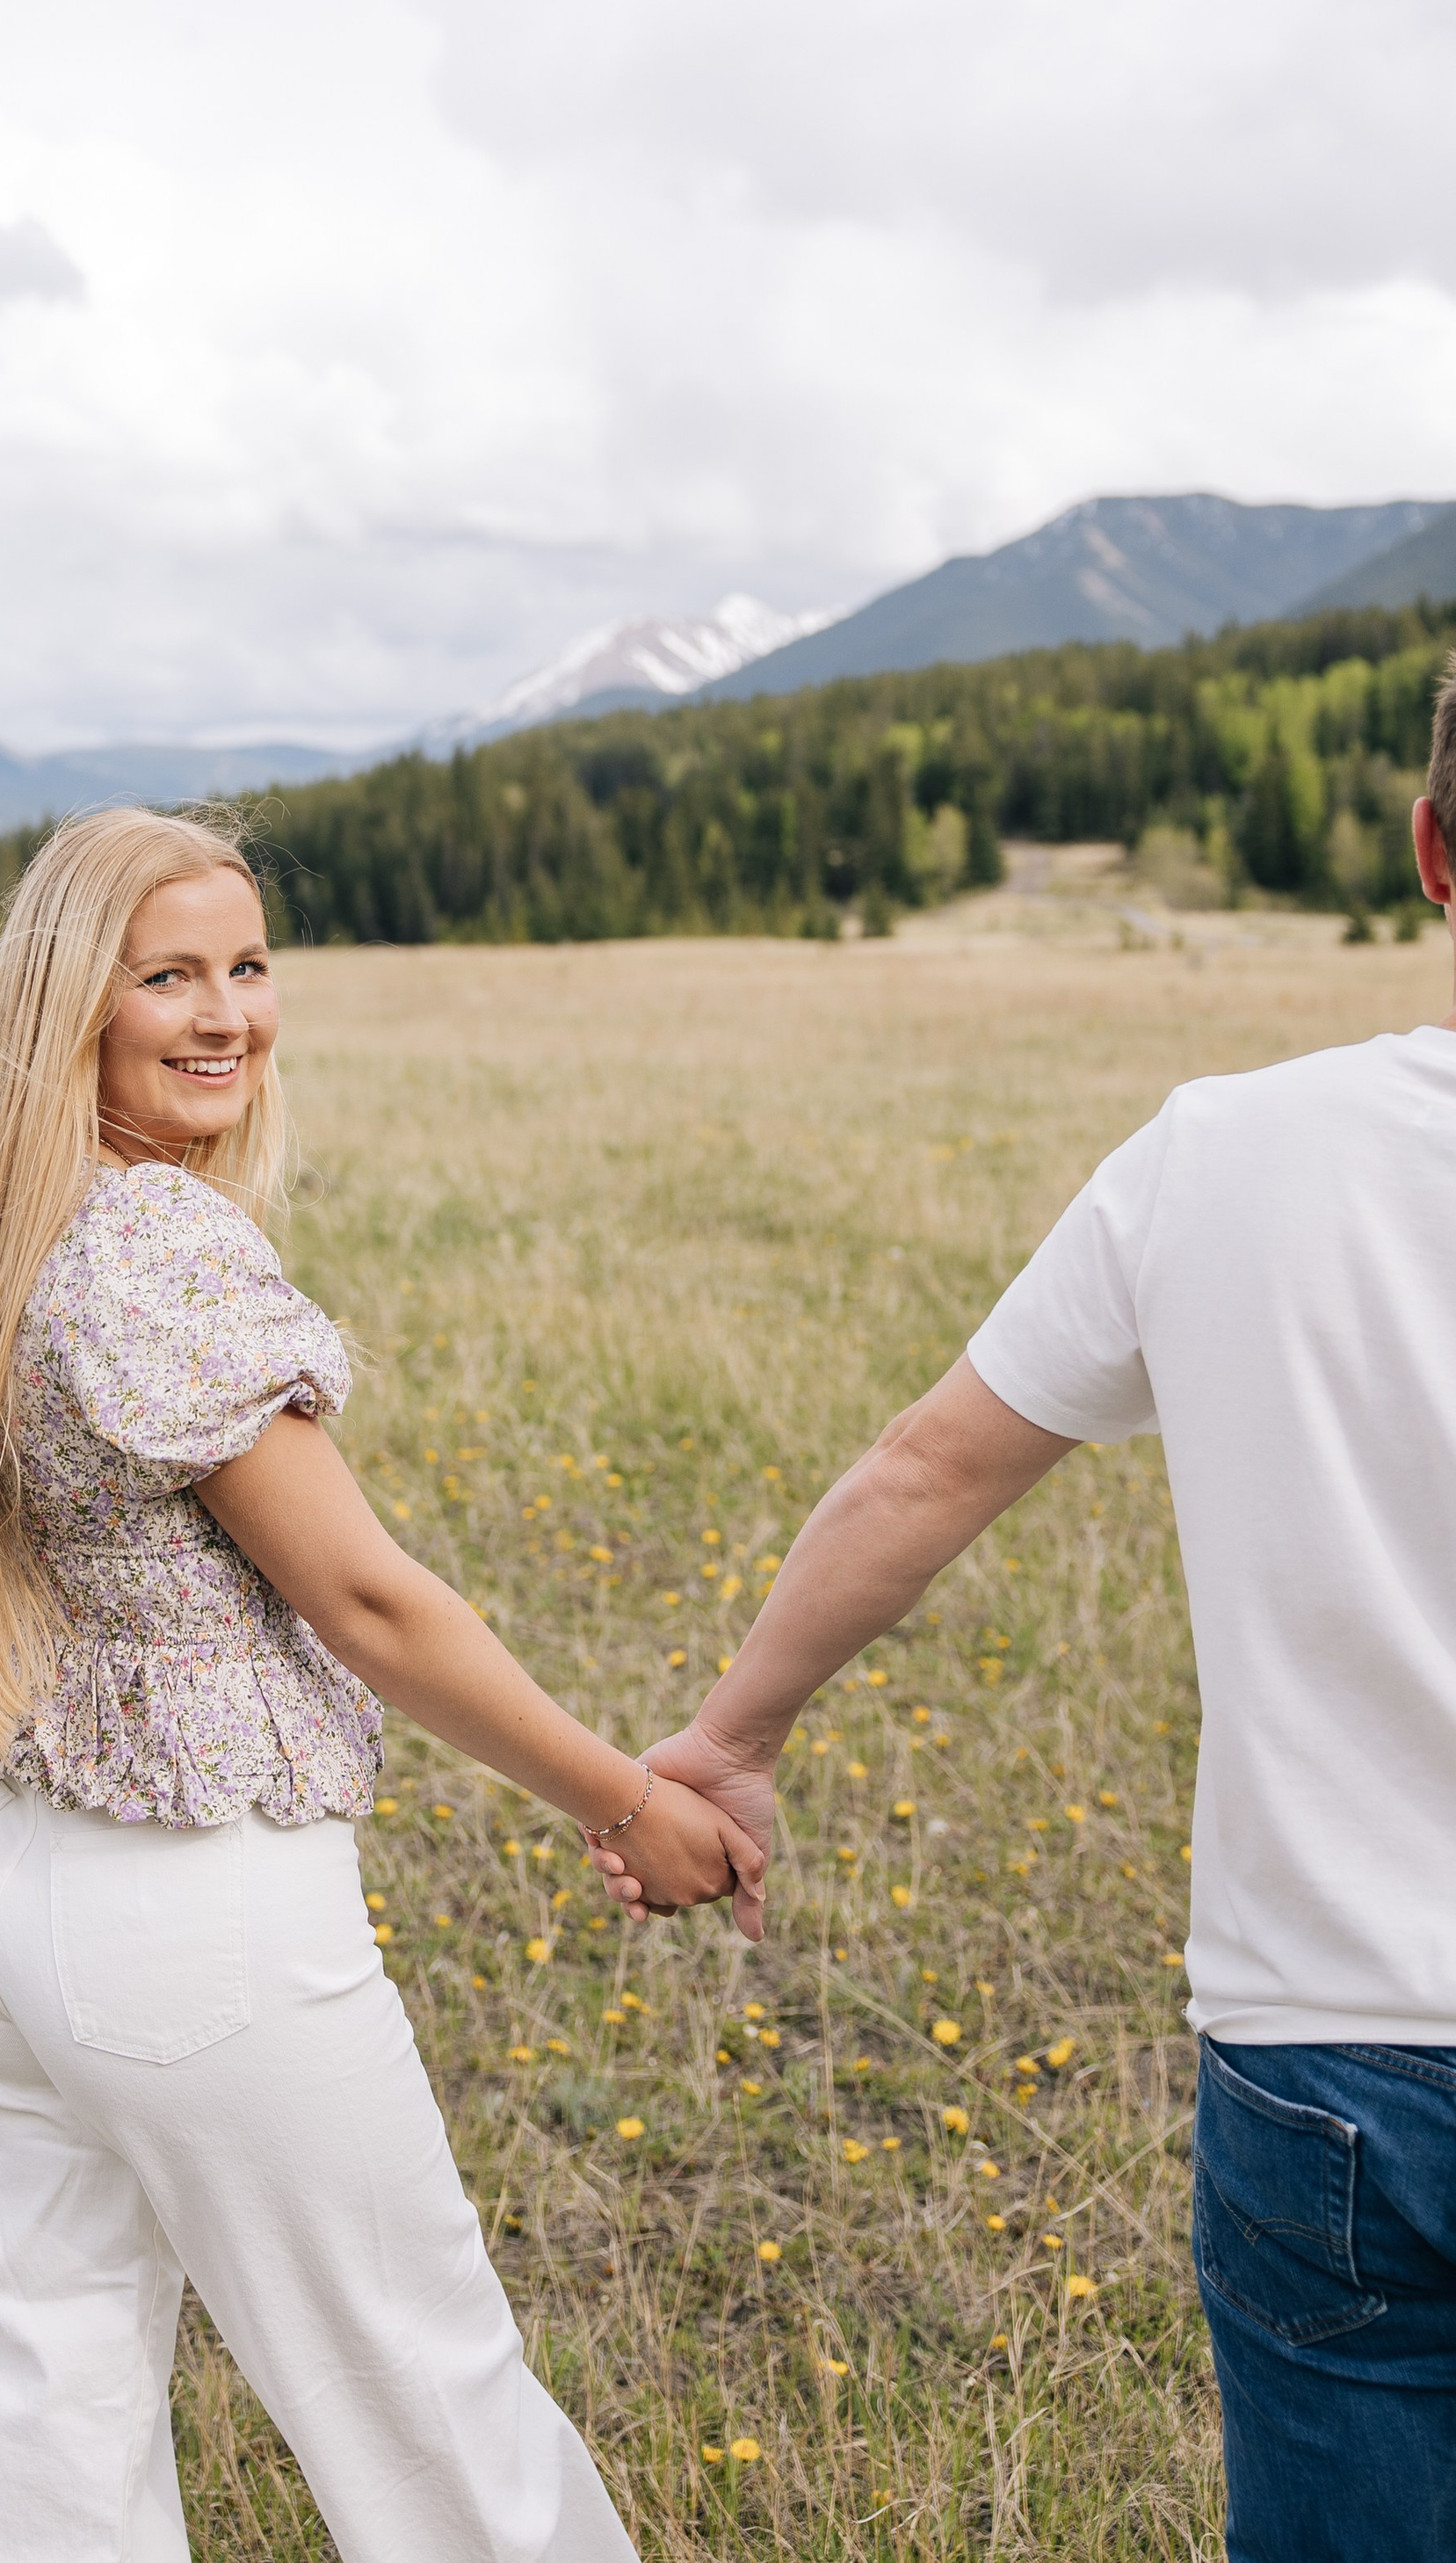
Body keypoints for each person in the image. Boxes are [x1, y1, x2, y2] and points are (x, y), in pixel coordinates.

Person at [595, 660, 1456, 2561]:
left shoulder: (1220, 1154)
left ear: (1424, 852)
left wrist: (731, 1738)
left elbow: (921, 1473)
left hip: (1332, 2056)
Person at [0, 805, 763, 2563]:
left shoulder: (8, 1224)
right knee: (431, 2418)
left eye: (248, 966)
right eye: (167, 977)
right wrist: (627, 1798)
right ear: (73, 1005)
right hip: (185, 1915)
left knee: (25, 2429)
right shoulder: (158, 1249)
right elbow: (363, 1596)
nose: (224, 1016)